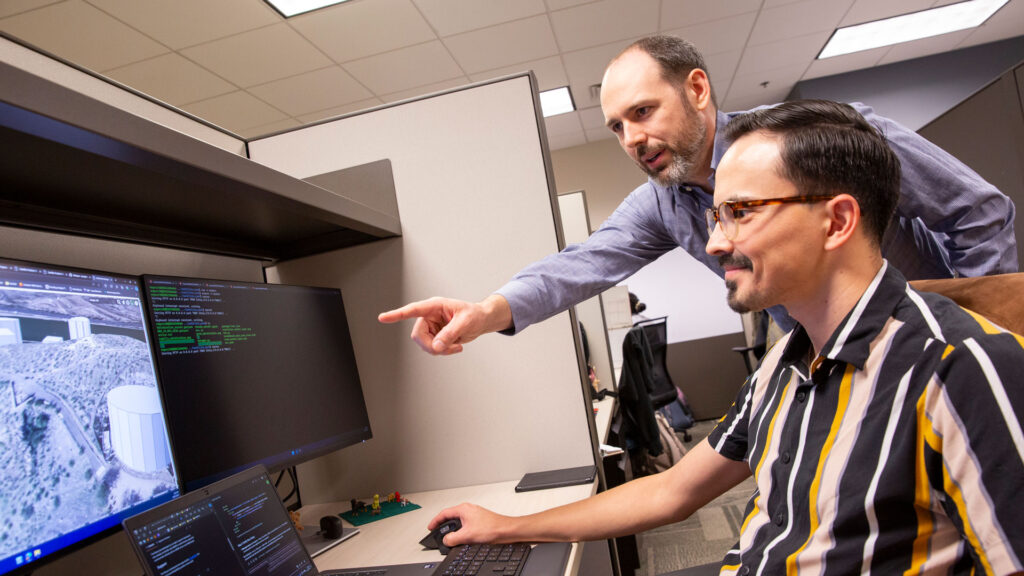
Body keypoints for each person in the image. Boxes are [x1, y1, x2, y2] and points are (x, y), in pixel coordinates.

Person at [422, 101, 1024, 575]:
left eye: (741, 213)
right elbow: (671, 492)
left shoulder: (961, 367)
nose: (711, 245)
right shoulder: (782, 364)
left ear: (838, 220)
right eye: (716, 215)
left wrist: (964, 312)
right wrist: (502, 525)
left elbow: (979, 212)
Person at [378, 35, 1017, 351]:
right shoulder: (662, 200)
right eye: (617, 127)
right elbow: (580, 265)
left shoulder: (827, 135)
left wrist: (983, 330)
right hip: (832, 356)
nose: (632, 137)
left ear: (699, 91)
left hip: (935, 333)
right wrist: (488, 312)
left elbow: (979, 212)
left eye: (644, 111)